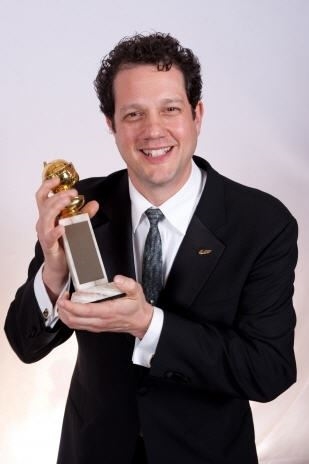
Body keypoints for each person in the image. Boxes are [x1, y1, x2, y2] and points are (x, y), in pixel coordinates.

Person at [5, 32, 298, 464]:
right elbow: (24, 345)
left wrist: (149, 325)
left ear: (197, 115)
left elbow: (269, 370)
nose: (152, 130)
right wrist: (52, 275)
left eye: (170, 109)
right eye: (133, 114)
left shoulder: (262, 223)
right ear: (111, 123)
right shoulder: (80, 208)